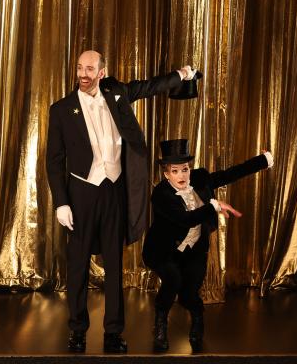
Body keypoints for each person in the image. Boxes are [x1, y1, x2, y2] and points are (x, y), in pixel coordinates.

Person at [46, 50, 197, 353]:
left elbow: (149, 87)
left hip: (114, 190)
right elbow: (54, 161)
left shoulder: (117, 93)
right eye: (80, 68)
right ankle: (77, 330)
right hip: (82, 192)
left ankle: (113, 332)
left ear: (101, 72)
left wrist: (181, 76)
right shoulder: (61, 109)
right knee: (78, 265)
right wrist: (61, 203)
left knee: (114, 264)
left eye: (90, 69)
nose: (83, 74)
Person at [142, 139, 273, 353]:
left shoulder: (200, 179)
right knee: (172, 280)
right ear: (166, 174)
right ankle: (160, 324)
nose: (182, 175)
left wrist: (263, 161)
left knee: (189, 295)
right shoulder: (160, 195)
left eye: (185, 169)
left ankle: (197, 318)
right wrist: (214, 206)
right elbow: (186, 219)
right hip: (164, 251)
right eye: (175, 171)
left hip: (194, 251)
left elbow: (229, 174)